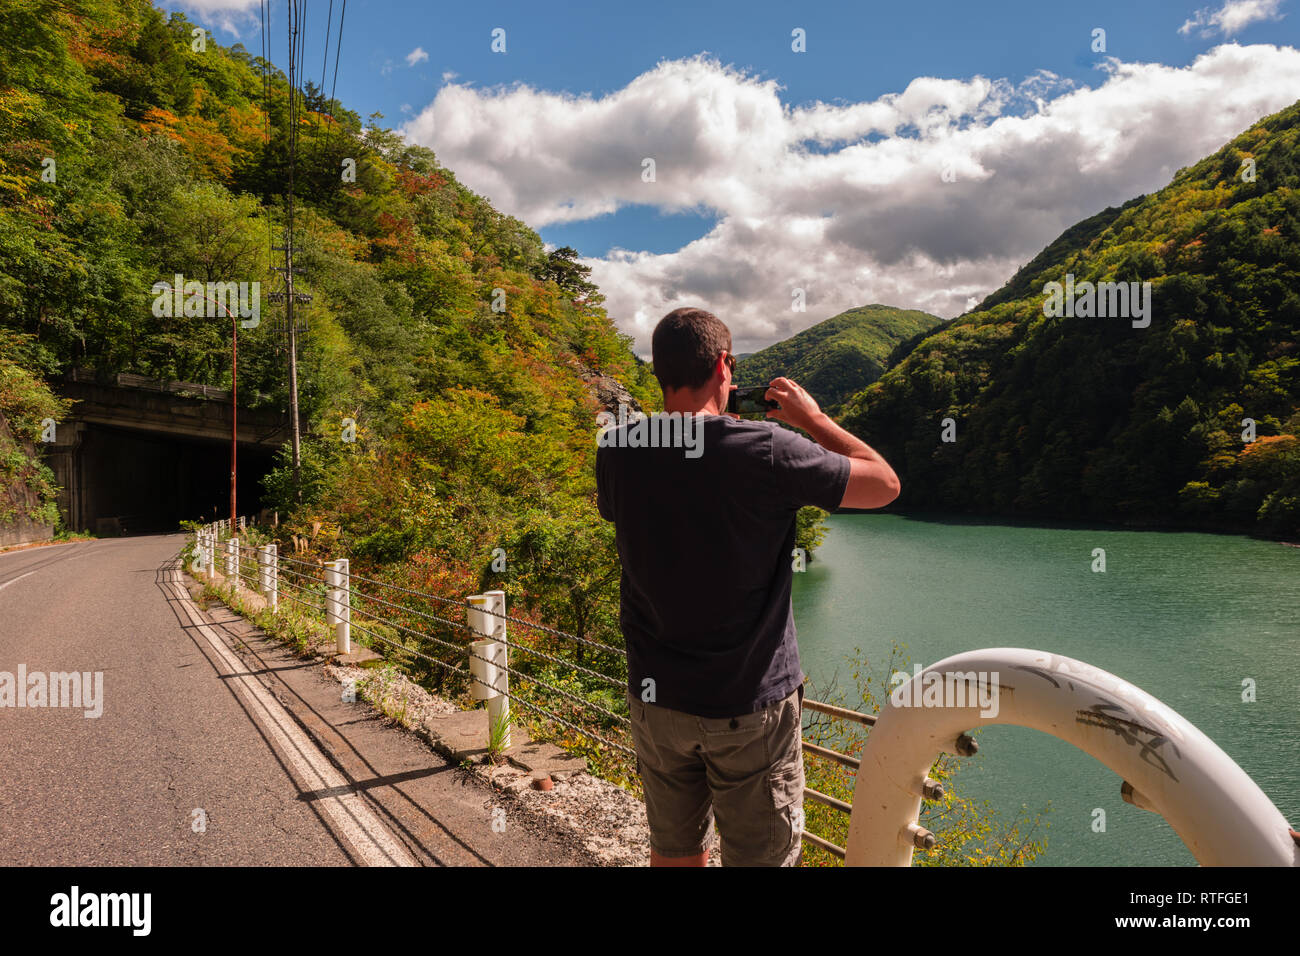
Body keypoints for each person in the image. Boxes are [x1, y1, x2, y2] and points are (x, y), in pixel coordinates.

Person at [596, 306, 901, 867]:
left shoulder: (617, 450)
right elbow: (884, 484)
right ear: (724, 366)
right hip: (748, 702)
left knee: (674, 852)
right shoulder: (768, 449)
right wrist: (812, 419)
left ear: (661, 372)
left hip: (656, 698)